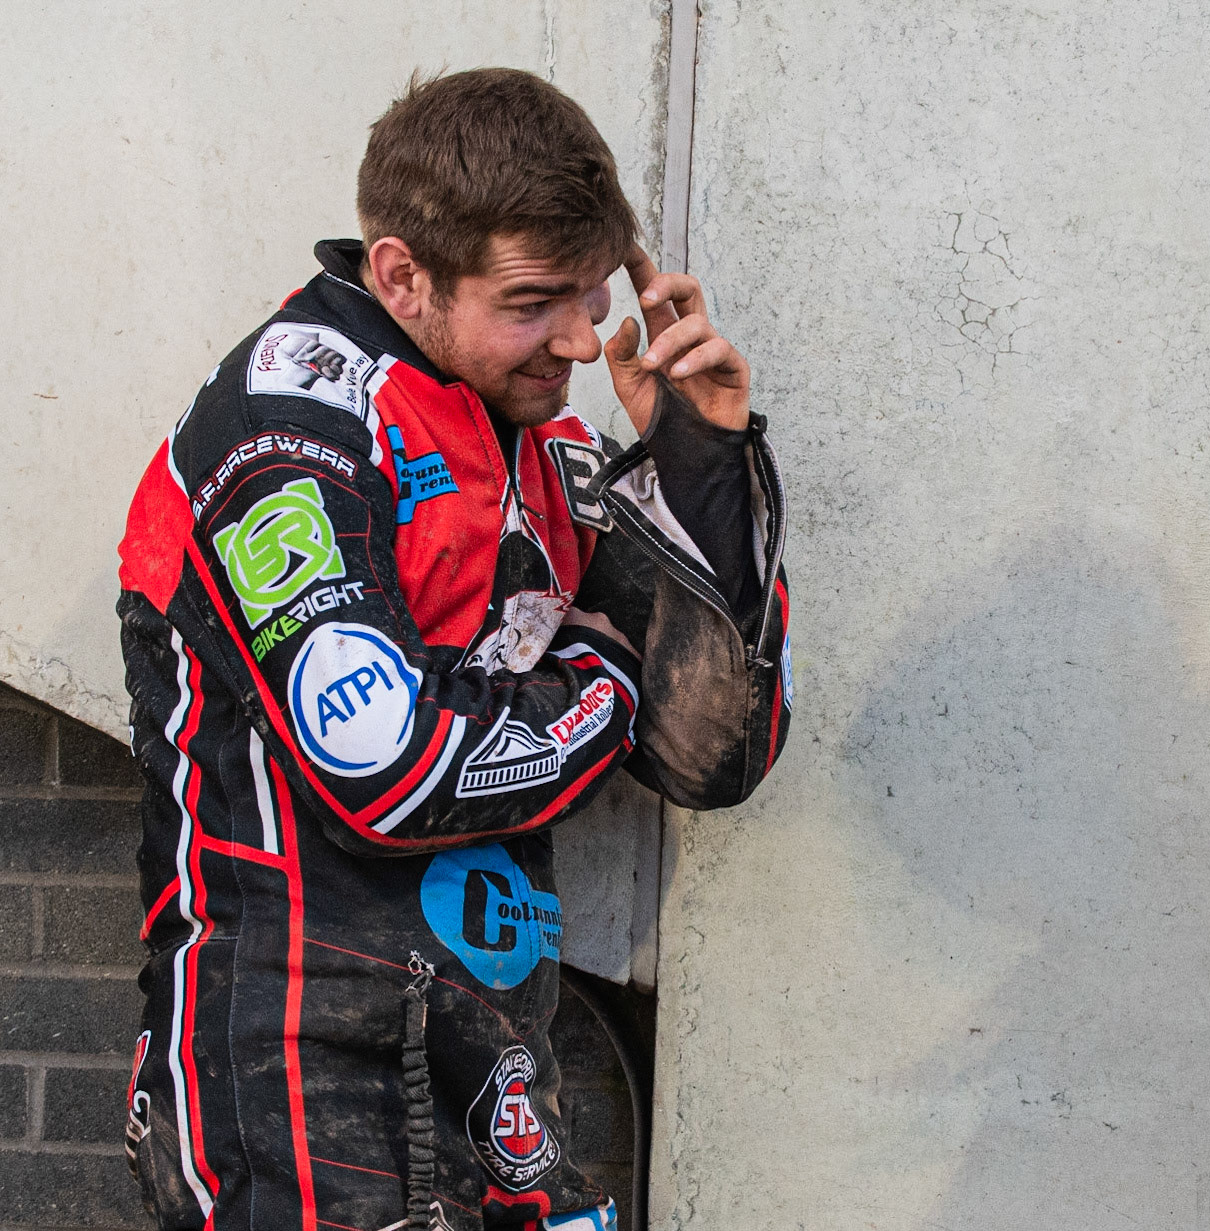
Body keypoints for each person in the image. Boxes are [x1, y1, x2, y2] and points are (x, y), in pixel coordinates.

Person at [115, 68, 793, 1231]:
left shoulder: (543, 437)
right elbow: (395, 773)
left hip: (490, 1050)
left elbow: (708, 759)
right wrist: (603, 671)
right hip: (289, 1052)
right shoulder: (285, 432)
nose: (581, 338)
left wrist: (695, 466)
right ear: (402, 275)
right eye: (536, 300)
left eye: (589, 294)